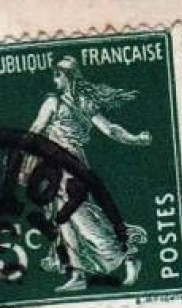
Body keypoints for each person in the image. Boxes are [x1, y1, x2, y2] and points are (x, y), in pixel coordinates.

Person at [26, 56, 152, 293]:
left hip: (69, 167)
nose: (55, 80)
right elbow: (111, 130)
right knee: (64, 221)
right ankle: (78, 273)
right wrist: (135, 139)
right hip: (60, 166)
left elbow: (35, 129)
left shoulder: (58, 102)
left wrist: (135, 139)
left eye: (57, 75)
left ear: (67, 77)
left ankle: (126, 257)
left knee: (84, 222)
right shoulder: (80, 102)